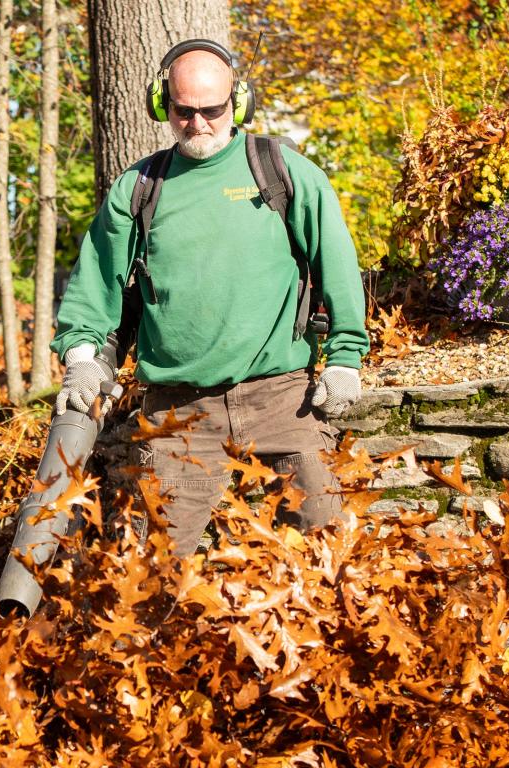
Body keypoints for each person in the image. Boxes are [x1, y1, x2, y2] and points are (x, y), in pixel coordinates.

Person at [50, 39, 369, 557]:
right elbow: (96, 284)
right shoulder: (139, 187)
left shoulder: (282, 170)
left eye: (212, 110)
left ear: (237, 104)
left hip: (281, 400)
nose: (198, 123)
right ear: (163, 105)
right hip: (179, 411)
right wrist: (82, 359)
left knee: (328, 559)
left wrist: (345, 361)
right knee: (154, 579)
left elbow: (338, 264)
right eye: (183, 111)